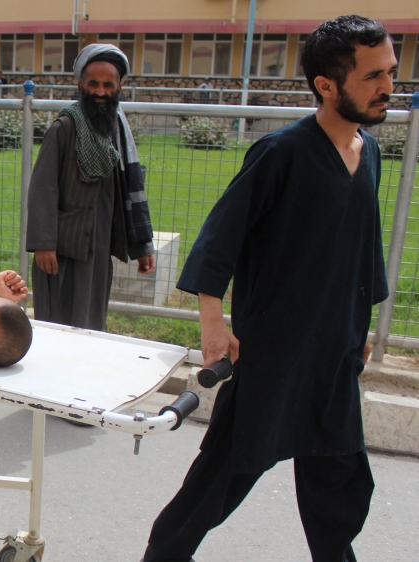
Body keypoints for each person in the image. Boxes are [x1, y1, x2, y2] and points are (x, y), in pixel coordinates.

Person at [141, 16, 395, 562]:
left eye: (391, 72)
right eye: (373, 75)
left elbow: (364, 244)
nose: (388, 88)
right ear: (326, 85)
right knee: (214, 490)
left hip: (334, 359)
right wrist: (213, 321)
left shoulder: (368, 152)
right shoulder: (283, 153)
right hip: (274, 358)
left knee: (339, 494)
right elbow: (220, 237)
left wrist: (364, 327)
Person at [26, 44, 155, 332]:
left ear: (119, 87)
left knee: (91, 322)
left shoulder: (116, 130)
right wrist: (44, 244)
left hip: (99, 246)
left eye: (108, 85)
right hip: (62, 247)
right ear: (80, 84)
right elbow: (42, 190)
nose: (100, 92)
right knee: (57, 321)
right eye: (93, 83)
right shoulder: (64, 127)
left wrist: (142, 245)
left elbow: (130, 189)